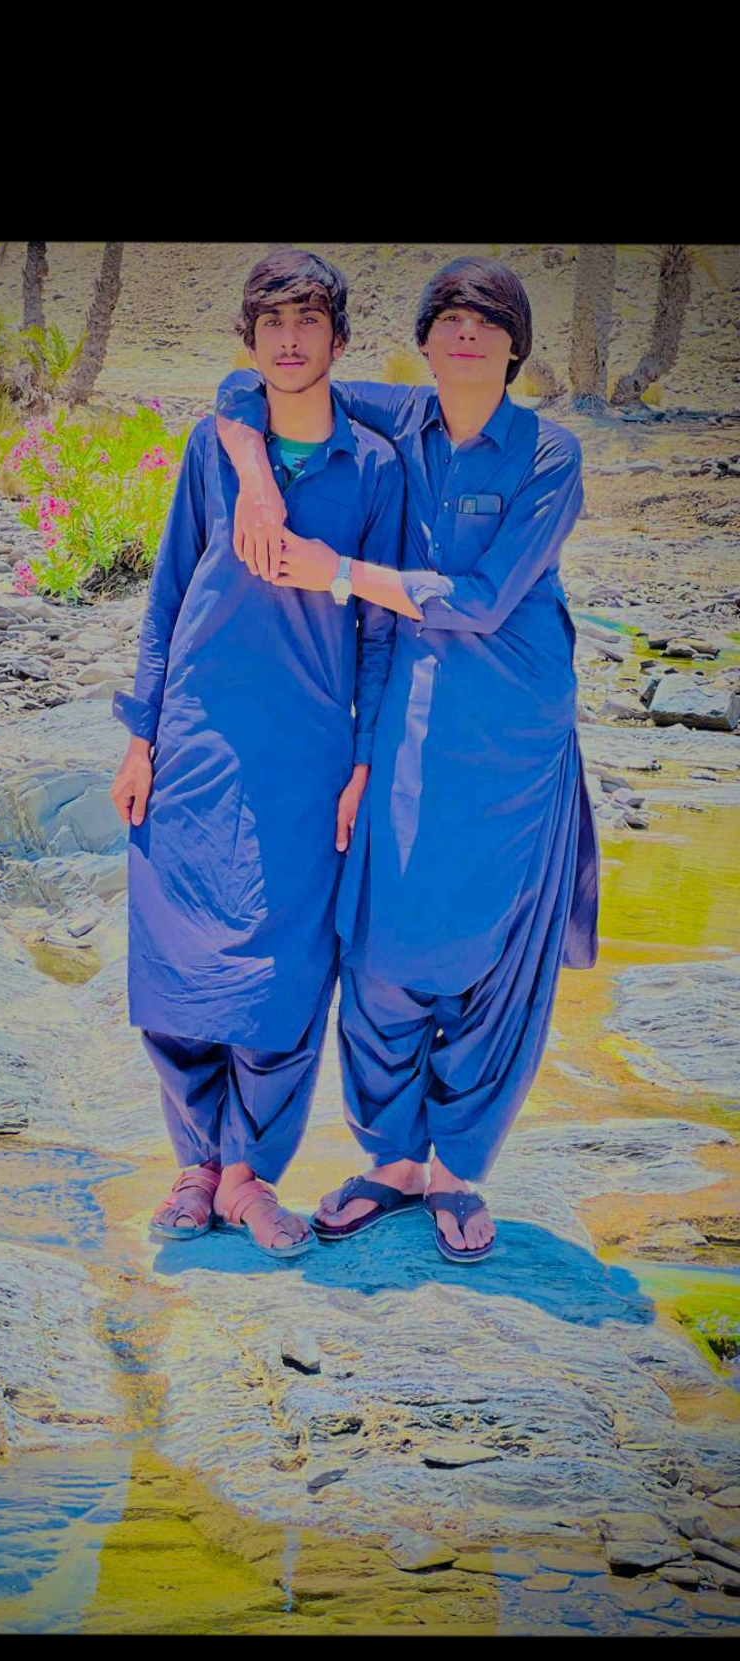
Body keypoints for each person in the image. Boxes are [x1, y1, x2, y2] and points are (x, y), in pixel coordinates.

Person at [214, 254, 599, 1263]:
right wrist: (256, 485)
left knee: (492, 950)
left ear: (514, 347)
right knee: (384, 940)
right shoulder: (395, 415)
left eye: (489, 320)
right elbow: (246, 385)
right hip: (414, 710)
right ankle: (391, 1161)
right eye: (449, 318)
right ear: (423, 341)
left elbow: (484, 599)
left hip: (517, 726)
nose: (467, 332)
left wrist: (338, 570)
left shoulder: (550, 456)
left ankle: (458, 1170)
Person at [110, 249, 404, 1258]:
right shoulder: (214, 447)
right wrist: (141, 737)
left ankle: (248, 1175)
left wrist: (362, 762)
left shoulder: (374, 469)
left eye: (308, 319)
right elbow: (167, 595)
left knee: (286, 974)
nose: (289, 339)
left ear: (338, 337)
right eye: (271, 321)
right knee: (178, 963)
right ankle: (197, 1166)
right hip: (196, 735)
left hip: (307, 753)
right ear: (249, 338)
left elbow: (380, 631)